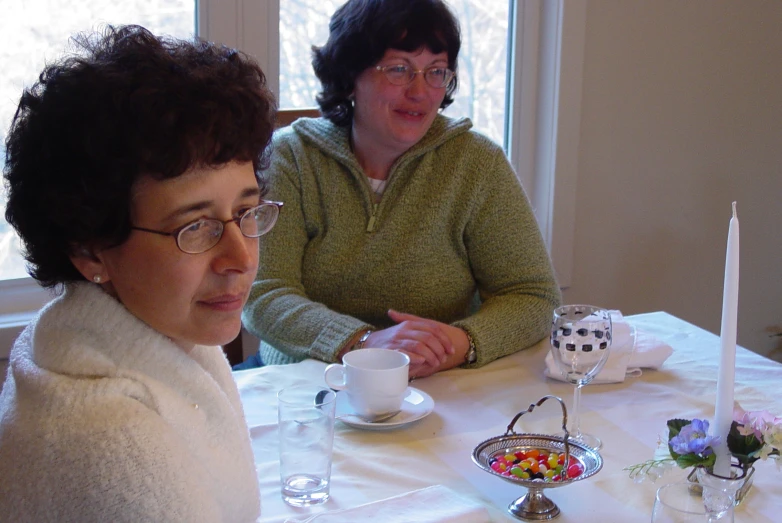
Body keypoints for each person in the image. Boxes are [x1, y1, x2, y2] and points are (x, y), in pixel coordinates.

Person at [0, 25, 277, 521]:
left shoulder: (86, 339)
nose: (241, 256)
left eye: (246, 213)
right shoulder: (110, 440)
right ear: (91, 250)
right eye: (195, 227)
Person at [241, 0, 560, 379]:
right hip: (305, 383)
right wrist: (365, 344)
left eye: (436, 72)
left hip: (438, 384)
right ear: (350, 75)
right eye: (399, 70)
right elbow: (263, 293)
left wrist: (461, 342)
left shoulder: (477, 163)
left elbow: (534, 296)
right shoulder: (291, 157)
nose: (420, 92)